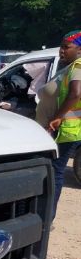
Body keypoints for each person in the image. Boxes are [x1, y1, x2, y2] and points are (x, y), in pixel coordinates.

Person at [47, 30, 81, 213]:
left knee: (55, 172)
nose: (61, 51)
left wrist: (57, 116)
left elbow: (76, 93)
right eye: (61, 46)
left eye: (66, 47)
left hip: (69, 128)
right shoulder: (72, 65)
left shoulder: (78, 66)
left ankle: (48, 215)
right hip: (71, 127)